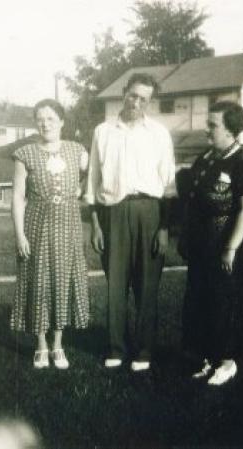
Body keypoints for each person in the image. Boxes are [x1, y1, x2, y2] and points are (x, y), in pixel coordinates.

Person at [85, 73, 176, 371]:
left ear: (150, 102)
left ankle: (144, 351)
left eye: (144, 99)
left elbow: (169, 184)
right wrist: (96, 225)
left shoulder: (159, 133)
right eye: (133, 95)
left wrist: (164, 227)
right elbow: (93, 182)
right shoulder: (103, 131)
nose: (137, 103)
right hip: (114, 212)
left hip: (149, 211)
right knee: (116, 285)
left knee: (147, 285)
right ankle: (116, 347)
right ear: (124, 92)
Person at [180, 101, 243, 385]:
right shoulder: (206, 159)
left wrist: (231, 248)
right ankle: (206, 356)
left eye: (213, 125)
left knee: (224, 301)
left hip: (225, 244)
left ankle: (226, 362)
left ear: (232, 130)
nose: (207, 129)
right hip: (201, 244)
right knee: (200, 300)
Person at [10, 98, 89, 369]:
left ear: (62, 122)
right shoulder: (25, 153)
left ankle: (58, 345)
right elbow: (19, 197)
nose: (45, 123)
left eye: (51, 118)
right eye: (40, 119)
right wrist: (20, 235)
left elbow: (96, 173)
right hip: (36, 225)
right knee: (39, 281)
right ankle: (41, 346)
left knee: (63, 280)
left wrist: (81, 190)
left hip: (68, 224)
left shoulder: (77, 150)